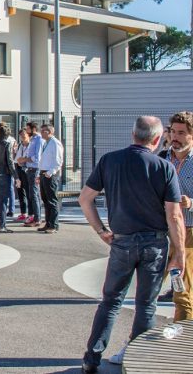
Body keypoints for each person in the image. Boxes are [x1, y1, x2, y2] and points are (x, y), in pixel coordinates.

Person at [79, 116, 186, 373]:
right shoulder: (163, 167)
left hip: (122, 241)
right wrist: (180, 252)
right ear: (158, 139)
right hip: (154, 243)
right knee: (146, 304)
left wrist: (101, 230)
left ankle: (92, 358)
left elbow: (85, 199)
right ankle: (137, 359)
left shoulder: (110, 161)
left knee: (110, 301)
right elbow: (173, 215)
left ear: (133, 134)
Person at [164, 112, 193, 321]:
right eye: (173, 131)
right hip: (160, 232)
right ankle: (135, 340)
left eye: (181, 133)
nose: (175, 136)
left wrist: (191, 202)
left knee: (182, 293)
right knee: (146, 290)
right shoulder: (162, 159)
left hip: (188, 233)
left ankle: (183, 346)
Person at [38, 124, 64, 233]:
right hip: (43, 173)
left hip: (50, 174)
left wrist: (50, 172)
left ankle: (54, 225)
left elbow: (58, 161)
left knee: (52, 200)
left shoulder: (55, 143)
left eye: (43, 131)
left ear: (49, 132)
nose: (41, 133)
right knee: (45, 200)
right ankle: (48, 223)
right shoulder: (46, 143)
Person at [20, 122, 44, 227]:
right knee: (32, 194)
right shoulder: (33, 139)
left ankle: (37, 218)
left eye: (28, 129)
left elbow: (37, 157)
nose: (26, 130)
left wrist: (25, 159)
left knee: (34, 194)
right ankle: (34, 216)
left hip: (35, 169)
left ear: (33, 129)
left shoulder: (38, 139)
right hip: (29, 169)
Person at [13, 129, 31, 221]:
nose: (22, 137)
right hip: (19, 170)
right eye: (21, 135)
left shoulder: (31, 145)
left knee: (29, 192)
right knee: (20, 192)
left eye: (24, 135)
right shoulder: (20, 146)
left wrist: (22, 160)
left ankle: (31, 213)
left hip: (27, 170)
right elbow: (16, 160)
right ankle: (23, 212)